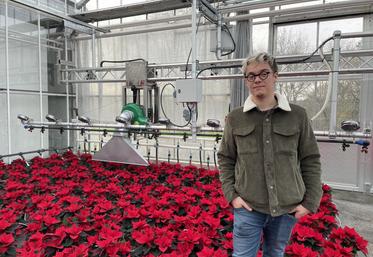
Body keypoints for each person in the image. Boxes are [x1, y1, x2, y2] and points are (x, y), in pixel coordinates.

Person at [217, 52, 322, 257]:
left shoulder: (297, 115)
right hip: (248, 207)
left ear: (276, 76)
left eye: (264, 73)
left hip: (286, 208)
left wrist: (311, 202)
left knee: (275, 253)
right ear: (246, 81)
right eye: (251, 75)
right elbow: (226, 158)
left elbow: (310, 158)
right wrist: (232, 196)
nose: (257, 79)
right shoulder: (236, 118)